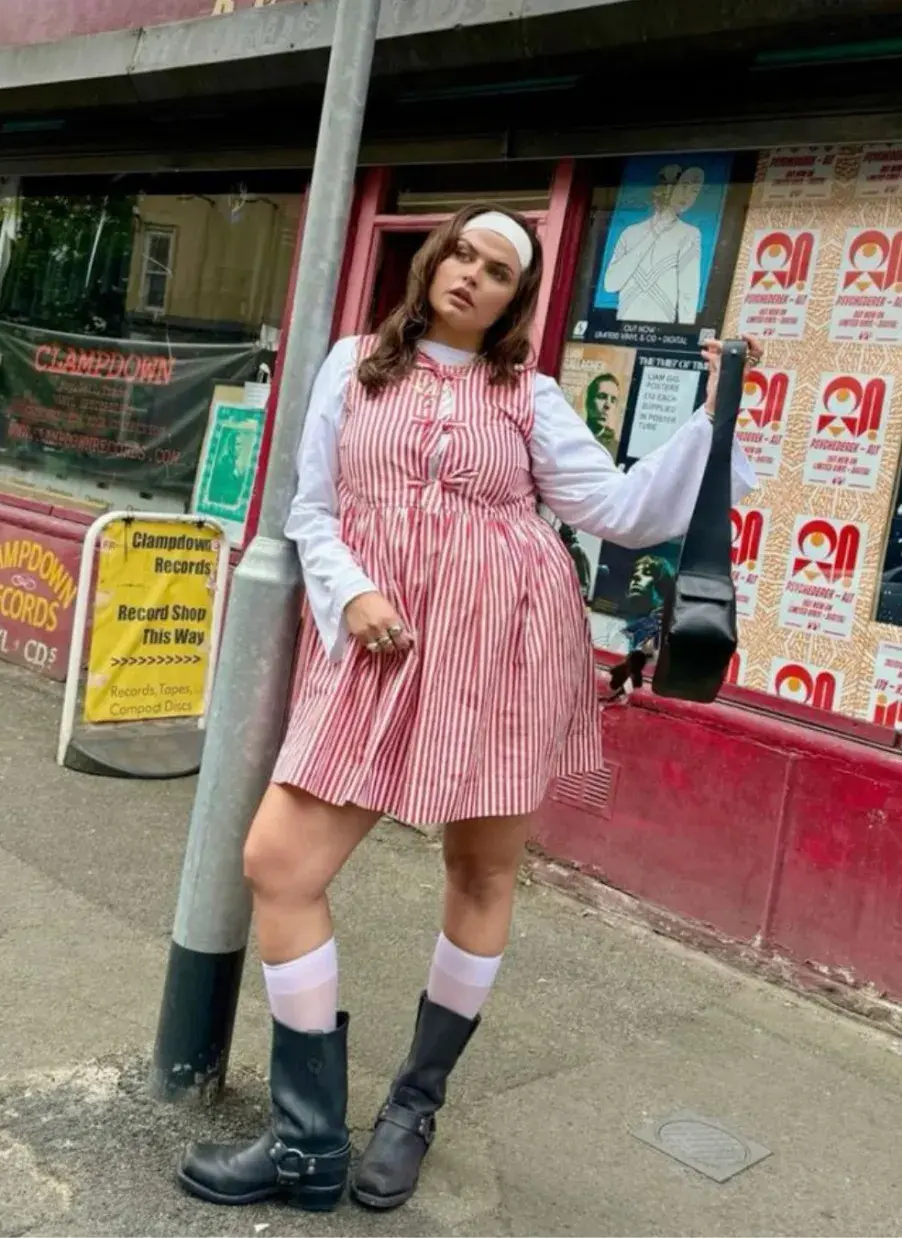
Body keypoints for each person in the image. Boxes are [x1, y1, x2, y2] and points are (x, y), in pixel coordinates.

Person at [177, 204, 760, 1214]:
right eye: (463, 254)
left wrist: (719, 407)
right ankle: (308, 1140)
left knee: (482, 866)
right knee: (281, 859)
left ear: (512, 300)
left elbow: (619, 511)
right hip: (379, 639)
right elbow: (313, 506)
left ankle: (411, 1107)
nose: (473, 275)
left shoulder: (528, 396)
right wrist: (352, 589)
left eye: (498, 269)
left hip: (507, 646)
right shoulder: (353, 362)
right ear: (432, 260)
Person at [603, 164, 704, 324]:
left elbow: (689, 292)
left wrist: (684, 332)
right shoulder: (630, 233)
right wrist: (654, 232)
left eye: (694, 191)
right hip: (624, 324)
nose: (688, 196)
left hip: (662, 325)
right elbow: (610, 284)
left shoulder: (689, 234)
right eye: (683, 187)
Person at [584, 370, 621, 456]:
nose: (608, 405)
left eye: (613, 400)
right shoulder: (571, 436)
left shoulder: (617, 450)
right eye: (602, 397)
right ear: (588, 402)